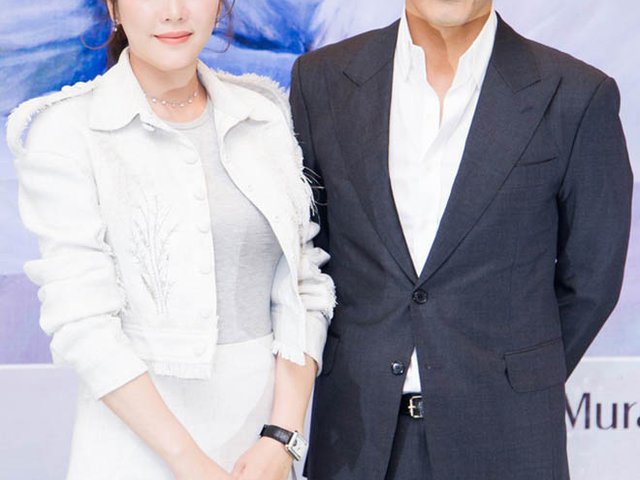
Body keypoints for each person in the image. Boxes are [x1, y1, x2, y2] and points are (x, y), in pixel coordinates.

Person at [289, 0, 633, 478]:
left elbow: (592, 280)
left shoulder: (576, 93)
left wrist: (514, 375)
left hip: (507, 441)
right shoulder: (321, 79)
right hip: (355, 439)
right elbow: (306, 257)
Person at [7, 1, 335, 479]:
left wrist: (282, 436)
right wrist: (189, 462)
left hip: (261, 446)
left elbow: (303, 285)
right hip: (135, 448)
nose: (174, 12)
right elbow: (82, 321)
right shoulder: (67, 131)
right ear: (113, 8)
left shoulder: (262, 114)